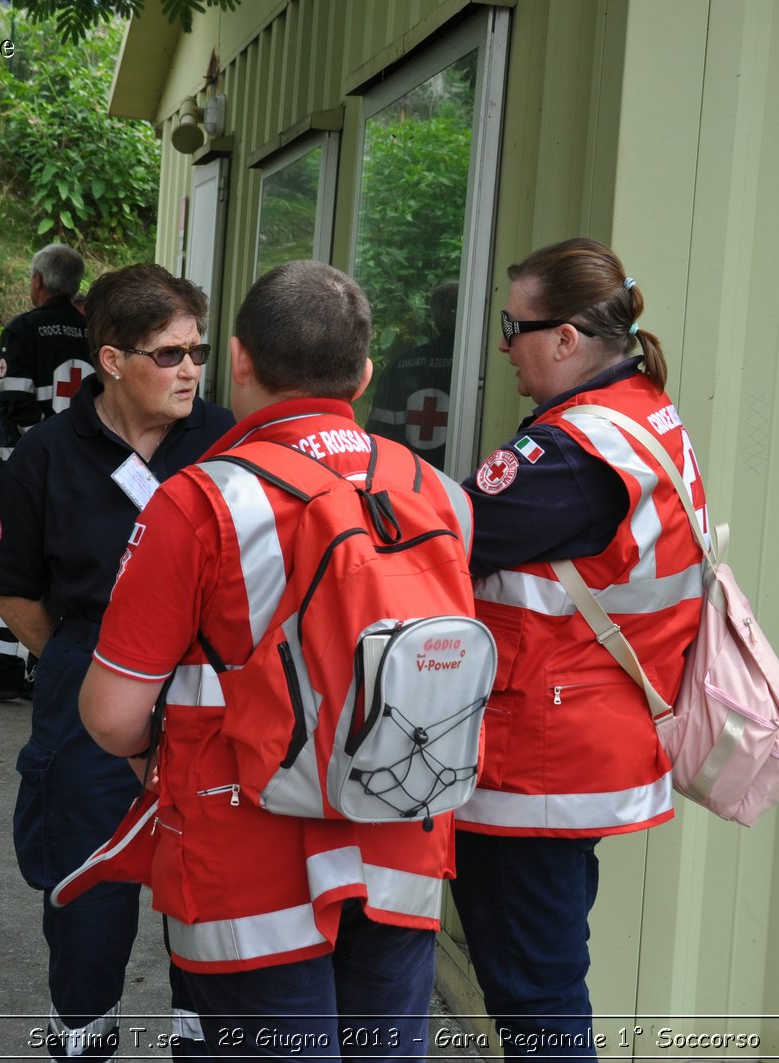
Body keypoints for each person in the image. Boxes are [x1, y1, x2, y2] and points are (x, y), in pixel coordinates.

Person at [78, 260, 469, 1060]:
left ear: (238, 358)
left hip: (245, 865)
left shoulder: (198, 501)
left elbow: (113, 715)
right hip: (400, 842)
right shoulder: (441, 493)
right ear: (363, 374)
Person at [449, 238, 710, 1058]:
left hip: (541, 754)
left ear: (566, 339)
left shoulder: (570, 452)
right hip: (589, 730)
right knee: (546, 978)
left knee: (535, 993)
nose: (502, 344)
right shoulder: (641, 410)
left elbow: (442, 539)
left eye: (513, 325)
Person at [0, 264, 233, 1062]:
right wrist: (78, 663)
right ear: (113, 361)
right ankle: (83, 1036)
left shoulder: (226, 440)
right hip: (92, 668)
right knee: (88, 881)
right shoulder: (49, 453)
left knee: (214, 882)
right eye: (169, 354)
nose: (189, 369)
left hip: (209, 681)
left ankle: (204, 1039)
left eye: (198, 350)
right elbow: (7, 577)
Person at [0, 243, 92, 702]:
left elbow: (15, 400)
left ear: (37, 282)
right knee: (59, 567)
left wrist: (42, 454)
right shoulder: (95, 330)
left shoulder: (23, 329)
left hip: (28, 471)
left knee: (5, 563)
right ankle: (41, 671)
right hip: (86, 470)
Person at [367, 280, 457, 467]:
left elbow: (378, 437)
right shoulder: (477, 371)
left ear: (435, 314)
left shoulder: (400, 366)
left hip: (406, 477)